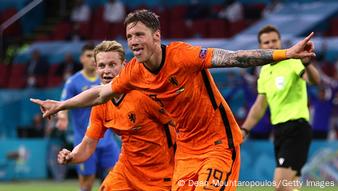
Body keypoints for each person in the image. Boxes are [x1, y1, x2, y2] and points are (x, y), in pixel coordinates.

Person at [31, 10, 316, 190]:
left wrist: (285, 53)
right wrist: (61, 105)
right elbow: (99, 93)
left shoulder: (183, 56)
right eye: (129, 36)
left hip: (218, 144)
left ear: (157, 35)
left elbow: (235, 58)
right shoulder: (133, 72)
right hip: (187, 152)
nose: (133, 41)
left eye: (139, 34)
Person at [57, 40, 176, 191]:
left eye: (112, 65)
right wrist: (71, 156)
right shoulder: (100, 104)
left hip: (160, 172)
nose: (106, 71)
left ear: (124, 65)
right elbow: (87, 145)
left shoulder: (144, 94)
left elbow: (179, 125)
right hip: (126, 171)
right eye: (101, 66)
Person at [241, 25, 320, 191]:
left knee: (280, 185)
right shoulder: (264, 71)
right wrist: (245, 130)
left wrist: (307, 64)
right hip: (278, 132)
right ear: (261, 46)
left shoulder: (292, 62)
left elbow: (314, 80)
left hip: (296, 128)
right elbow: (260, 105)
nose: (271, 44)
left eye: (274, 40)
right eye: (266, 42)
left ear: (280, 41)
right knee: (291, 187)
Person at [56, 43, 120, 191]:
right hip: (84, 140)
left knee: (115, 180)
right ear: (81, 59)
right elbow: (63, 103)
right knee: (87, 183)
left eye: (94, 56)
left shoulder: (106, 77)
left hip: (107, 140)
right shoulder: (73, 82)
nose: (92, 59)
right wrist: (62, 118)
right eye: (88, 56)